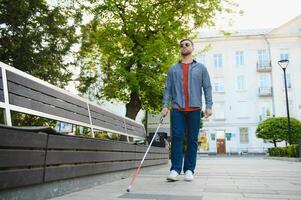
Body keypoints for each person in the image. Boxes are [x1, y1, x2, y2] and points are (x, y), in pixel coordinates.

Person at [161, 39, 213, 181]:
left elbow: (207, 87)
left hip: (195, 108)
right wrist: (165, 105)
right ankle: (175, 169)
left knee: (192, 139)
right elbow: (168, 89)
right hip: (177, 108)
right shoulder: (173, 69)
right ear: (180, 49)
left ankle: (189, 169)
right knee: (177, 137)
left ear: (192, 48)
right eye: (181, 45)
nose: (184, 46)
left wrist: (209, 106)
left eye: (187, 44)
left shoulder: (201, 68)